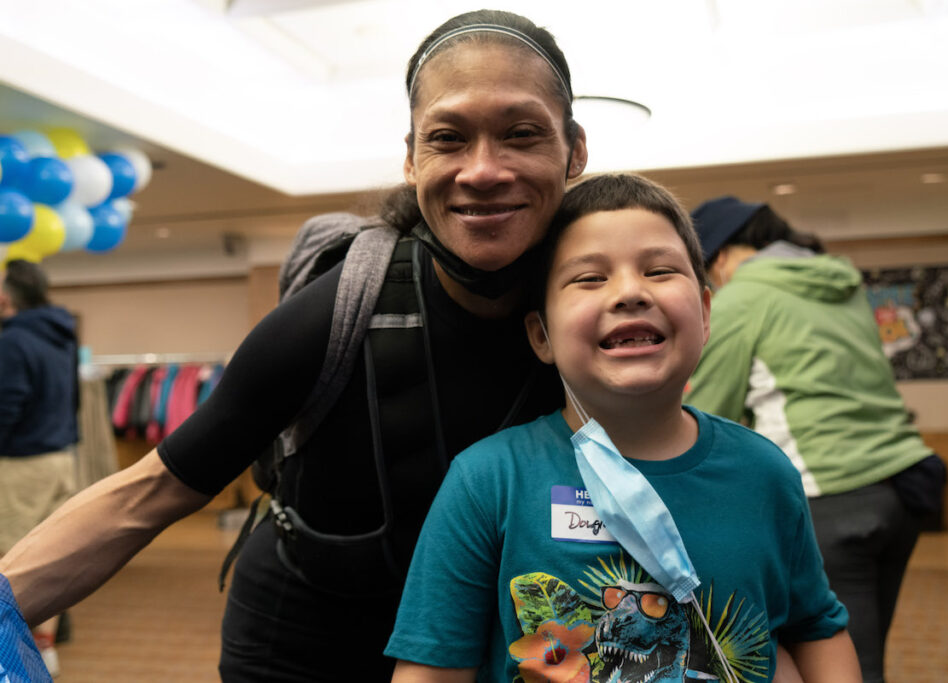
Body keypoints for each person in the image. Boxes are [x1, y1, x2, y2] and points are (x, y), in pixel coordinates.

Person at [0, 10, 587, 681]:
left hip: (479, 647)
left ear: (574, 150)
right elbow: (152, 490)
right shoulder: (342, 307)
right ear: (411, 157)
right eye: (448, 138)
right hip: (303, 643)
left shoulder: (597, 315)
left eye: (521, 134)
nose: (482, 170)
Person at [386, 174, 860, 682]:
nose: (630, 292)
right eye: (590, 278)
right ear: (540, 334)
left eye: (659, 271)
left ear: (704, 314)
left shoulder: (765, 473)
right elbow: (432, 669)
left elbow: (815, 629)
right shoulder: (488, 482)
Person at [684, 196, 946, 683]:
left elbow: (708, 415)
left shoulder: (742, 298)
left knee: (838, 665)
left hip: (829, 494)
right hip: (902, 486)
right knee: (864, 653)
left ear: (718, 256)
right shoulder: (843, 286)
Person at [0, 259, 79, 677]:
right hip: (62, 458)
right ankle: (43, 648)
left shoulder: (13, 341)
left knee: (11, 564)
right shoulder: (63, 336)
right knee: (48, 559)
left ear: (7, 297)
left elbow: (7, 405)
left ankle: (13, 658)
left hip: (22, 465)